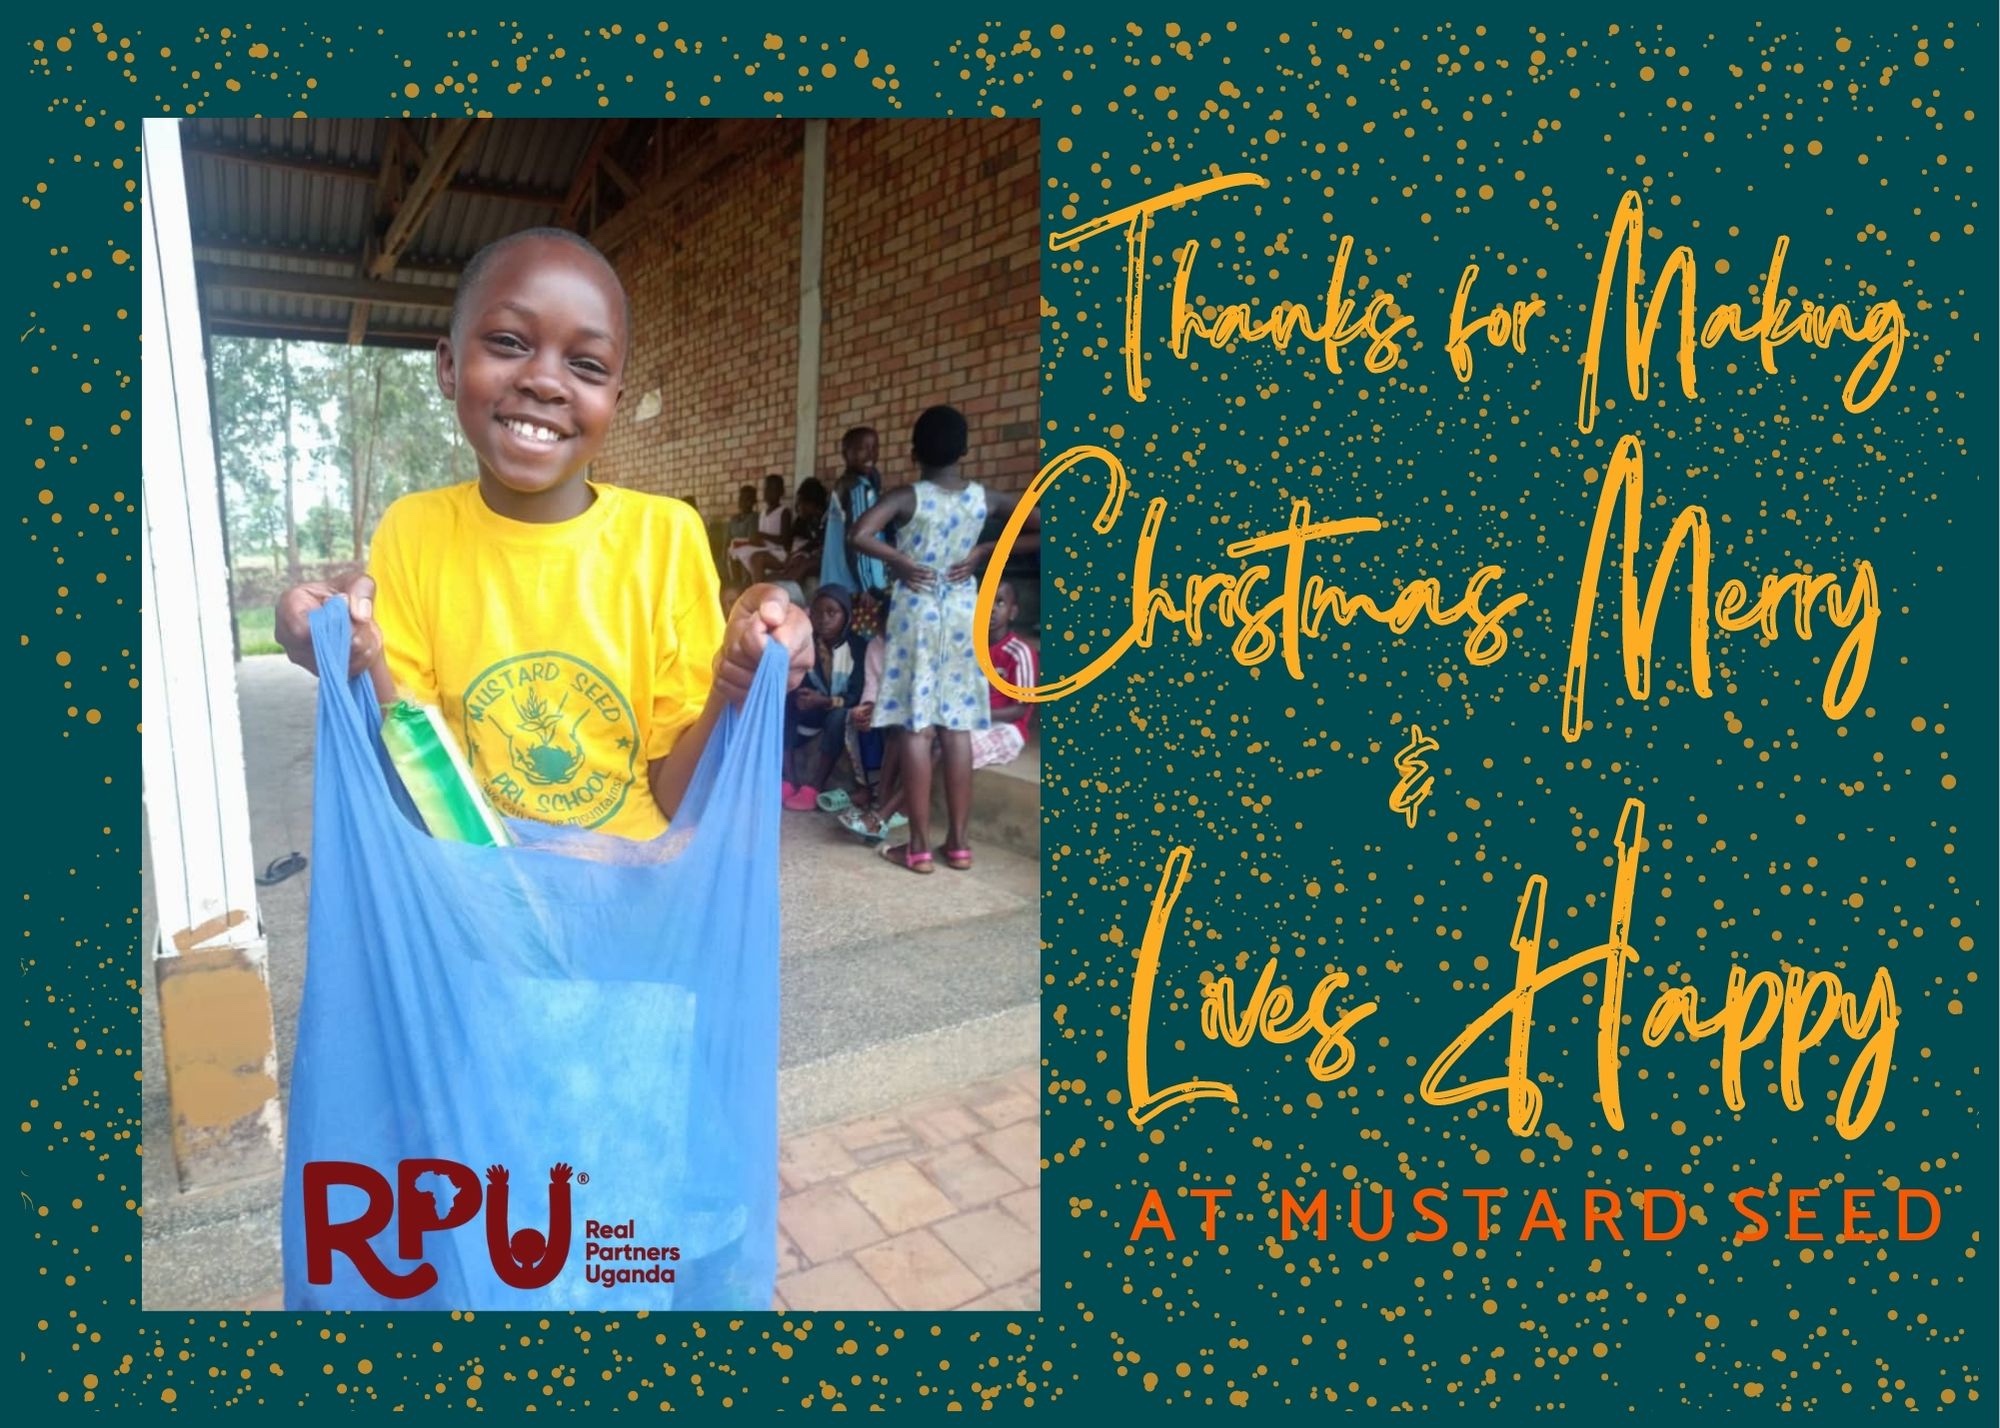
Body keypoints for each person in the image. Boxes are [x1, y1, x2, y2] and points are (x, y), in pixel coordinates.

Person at [275, 226, 813, 841]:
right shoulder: (414, 531)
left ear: (615, 397)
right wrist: (352, 654)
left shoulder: (666, 537)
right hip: (478, 899)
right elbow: (414, 777)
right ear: (449, 365)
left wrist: (734, 681)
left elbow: (678, 798)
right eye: (508, 342)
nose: (546, 381)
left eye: (586, 365)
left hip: (628, 898)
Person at [848, 405, 1038, 872]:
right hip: (959, 613)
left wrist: (899, 560)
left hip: (915, 614)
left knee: (916, 726)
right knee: (956, 726)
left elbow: (859, 533)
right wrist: (987, 549)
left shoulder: (905, 497)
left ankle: (914, 847)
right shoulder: (985, 499)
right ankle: (958, 845)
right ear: (966, 451)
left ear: (914, 453)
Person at [783, 584, 867, 811]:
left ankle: (814, 787)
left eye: (832, 613)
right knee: (784, 704)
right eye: (818, 613)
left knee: (838, 716)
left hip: (836, 712)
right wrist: (800, 696)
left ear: (846, 616)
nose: (824, 620)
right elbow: (796, 678)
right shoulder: (806, 644)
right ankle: (787, 780)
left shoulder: (857, 647)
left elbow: (856, 694)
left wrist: (826, 701)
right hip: (810, 711)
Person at [821, 427, 888, 638]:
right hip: (856, 589)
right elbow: (859, 542)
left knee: (844, 650)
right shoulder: (857, 489)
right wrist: (868, 587)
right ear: (845, 454)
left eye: (874, 447)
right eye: (861, 448)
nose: (870, 454)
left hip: (839, 586)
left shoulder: (847, 484)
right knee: (861, 648)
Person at [975, 580, 1037, 769]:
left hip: (1007, 728)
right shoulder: (971, 648)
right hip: (972, 721)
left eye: (1000, 602)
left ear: (1013, 612)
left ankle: (895, 800)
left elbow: (1021, 709)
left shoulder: (1020, 652)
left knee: (953, 751)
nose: (991, 609)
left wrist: (978, 716)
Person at [727, 473, 791, 583]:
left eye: (772, 489)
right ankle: (736, 584)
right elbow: (760, 541)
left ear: (781, 492)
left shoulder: (784, 512)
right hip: (763, 548)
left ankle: (757, 590)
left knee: (757, 557)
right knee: (734, 549)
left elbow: (785, 541)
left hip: (778, 554)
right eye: (766, 489)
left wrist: (762, 535)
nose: (768, 493)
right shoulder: (762, 514)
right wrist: (745, 542)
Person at [774, 476, 827, 586]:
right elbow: (810, 544)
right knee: (797, 560)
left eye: (800, 503)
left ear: (811, 504)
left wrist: (806, 556)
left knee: (804, 564)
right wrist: (797, 553)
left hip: (829, 560)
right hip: (814, 556)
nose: (797, 508)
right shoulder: (806, 521)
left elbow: (824, 546)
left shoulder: (828, 520)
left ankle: (788, 590)